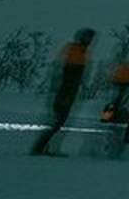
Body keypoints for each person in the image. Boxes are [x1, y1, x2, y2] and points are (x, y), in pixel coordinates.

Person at [31, 28, 94, 156]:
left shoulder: (84, 52)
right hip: (64, 90)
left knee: (59, 121)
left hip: (70, 91)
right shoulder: (73, 50)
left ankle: (46, 148)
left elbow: (83, 74)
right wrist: (58, 88)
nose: (89, 40)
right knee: (58, 122)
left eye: (90, 38)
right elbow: (60, 70)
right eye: (87, 37)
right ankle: (41, 148)